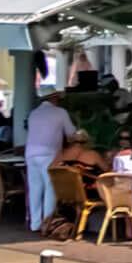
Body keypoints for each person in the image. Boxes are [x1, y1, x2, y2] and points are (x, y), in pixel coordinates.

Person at [23, 87, 79, 232]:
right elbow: (71, 134)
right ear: (54, 98)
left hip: (31, 154)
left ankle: (35, 224)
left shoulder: (33, 113)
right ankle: (48, 223)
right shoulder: (60, 113)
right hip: (49, 153)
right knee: (50, 188)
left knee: (35, 189)